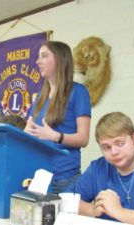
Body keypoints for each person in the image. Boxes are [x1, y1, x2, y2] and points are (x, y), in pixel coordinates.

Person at [66, 112, 134, 224]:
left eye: (120, 143)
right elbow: (67, 200)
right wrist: (92, 210)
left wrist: (118, 211)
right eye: (106, 147)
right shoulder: (97, 168)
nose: (114, 152)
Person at [24, 41, 91, 193]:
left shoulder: (78, 92)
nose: (37, 61)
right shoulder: (41, 96)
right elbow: (28, 128)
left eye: (44, 56)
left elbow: (84, 138)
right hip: (40, 177)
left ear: (60, 59)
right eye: (38, 56)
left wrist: (56, 136)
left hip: (64, 178)